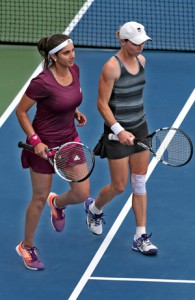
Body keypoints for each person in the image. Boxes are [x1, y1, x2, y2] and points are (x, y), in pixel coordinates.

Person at [15, 34, 90, 270]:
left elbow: (68, 98)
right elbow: (21, 112)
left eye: (73, 50)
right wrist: (35, 141)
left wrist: (73, 111)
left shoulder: (74, 70)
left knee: (81, 193)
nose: (72, 55)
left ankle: (57, 204)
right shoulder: (42, 82)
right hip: (44, 148)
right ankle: (26, 246)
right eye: (66, 53)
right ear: (54, 56)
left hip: (69, 142)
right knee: (38, 199)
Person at [84, 21, 158, 255]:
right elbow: (101, 104)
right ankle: (95, 209)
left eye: (143, 43)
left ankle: (140, 236)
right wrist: (118, 130)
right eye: (136, 44)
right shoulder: (111, 67)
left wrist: (134, 127)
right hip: (117, 133)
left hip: (140, 127)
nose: (141, 47)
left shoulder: (142, 61)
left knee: (139, 182)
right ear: (123, 42)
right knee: (119, 186)